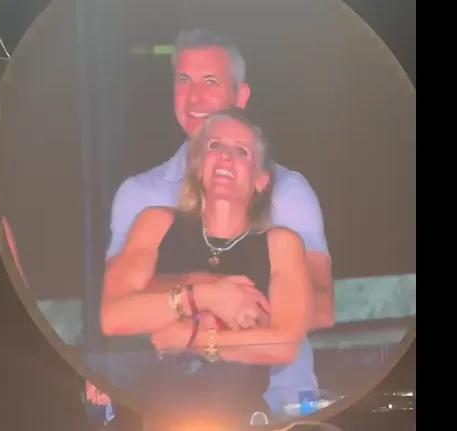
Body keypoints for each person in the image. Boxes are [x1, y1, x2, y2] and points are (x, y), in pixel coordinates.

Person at [91, 28, 334, 417]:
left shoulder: (290, 194)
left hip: (275, 406)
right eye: (183, 80)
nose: (194, 97)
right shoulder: (140, 197)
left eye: (210, 82)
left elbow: (319, 308)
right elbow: (116, 312)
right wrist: (207, 291)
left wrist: (198, 329)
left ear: (241, 96)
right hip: (161, 404)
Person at [100, 108, 313, 427]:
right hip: (152, 416)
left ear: (261, 180)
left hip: (240, 419)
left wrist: (194, 337)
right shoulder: (155, 223)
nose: (225, 156)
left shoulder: (281, 244)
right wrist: (205, 296)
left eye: (241, 151)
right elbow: (113, 317)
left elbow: (283, 344)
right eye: (215, 145)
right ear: (198, 166)